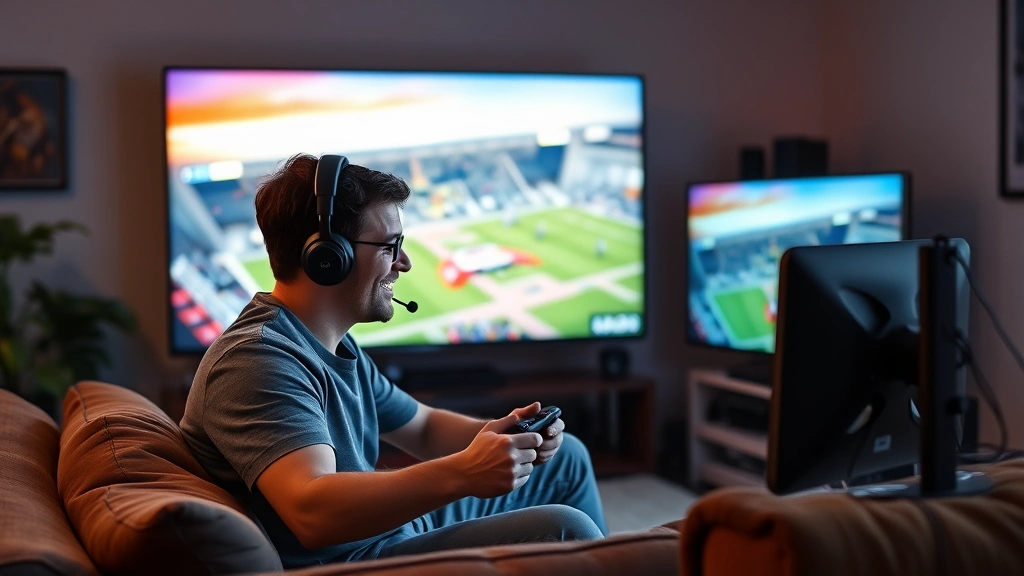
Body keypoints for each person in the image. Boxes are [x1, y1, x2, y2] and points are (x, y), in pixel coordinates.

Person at [179, 153, 607, 568]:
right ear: (327, 258)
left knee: (567, 457)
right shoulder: (256, 362)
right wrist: (463, 472)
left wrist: (504, 438)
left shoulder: (332, 344)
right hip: (351, 561)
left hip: (384, 534)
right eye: (390, 246)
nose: (404, 263)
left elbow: (423, 427)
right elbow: (312, 512)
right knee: (564, 529)